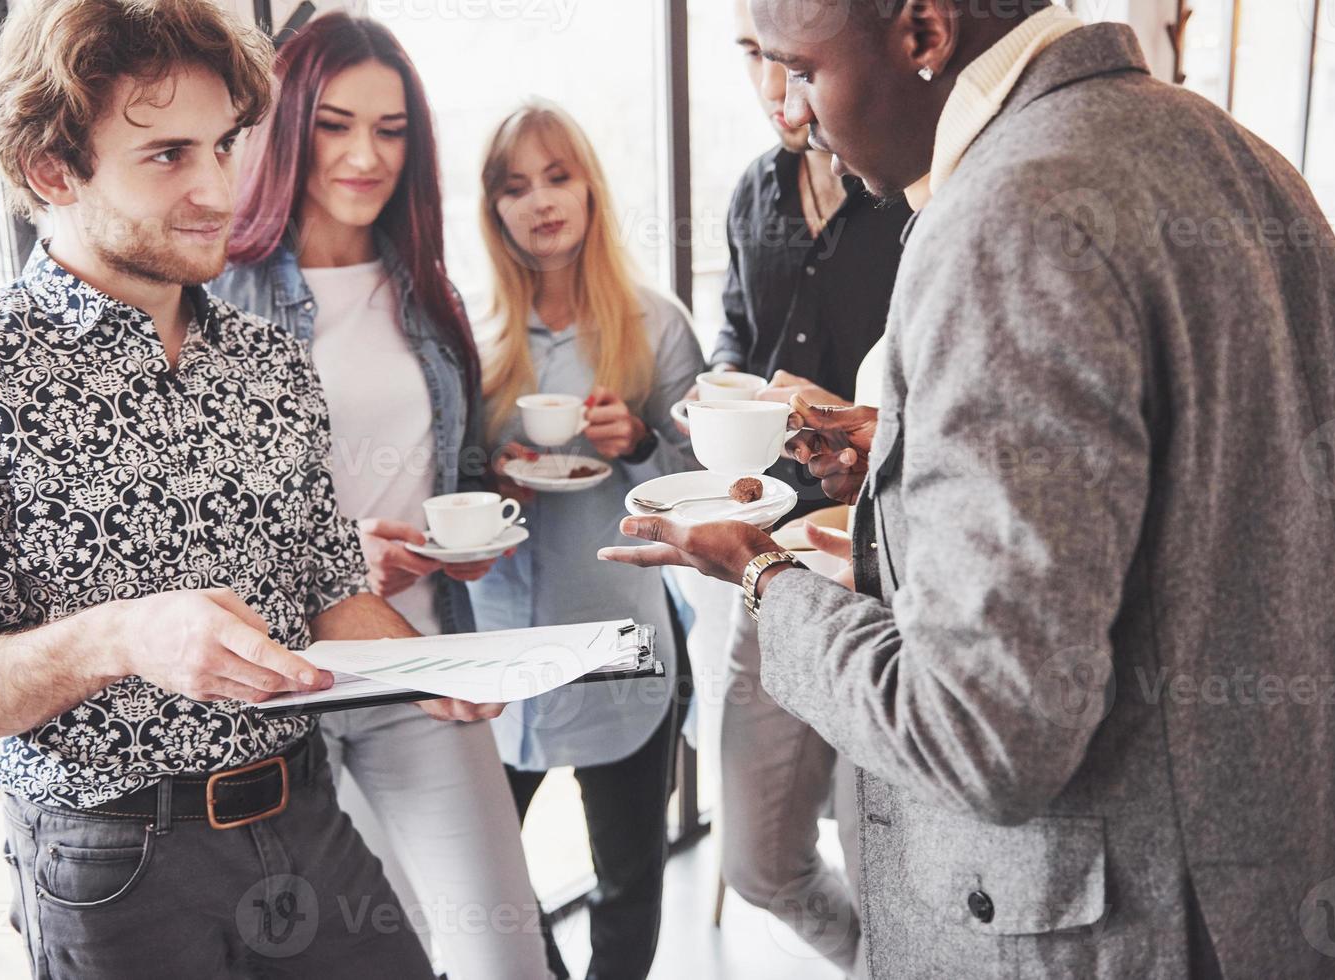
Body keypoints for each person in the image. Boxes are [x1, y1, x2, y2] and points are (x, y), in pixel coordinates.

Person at [601, 1, 1335, 977]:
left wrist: (763, 578)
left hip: (1099, 922)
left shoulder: (1006, 215)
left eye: (801, 70)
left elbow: (982, 735)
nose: (790, 111)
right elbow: (1193, 496)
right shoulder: (1238, 156)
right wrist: (911, 460)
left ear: (921, 31)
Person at [0, 2, 476, 976]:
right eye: (165, 156)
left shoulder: (271, 365)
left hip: (306, 815)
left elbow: (335, 592)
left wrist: (456, 670)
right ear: (50, 170)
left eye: (224, 146)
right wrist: (119, 637)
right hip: (111, 863)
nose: (216, 188)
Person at [211, 15, 549, 979]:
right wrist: (322, 559)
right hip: (287, 689)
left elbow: (456, 469)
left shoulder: (424, 291)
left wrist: (473, 530)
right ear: (287, 127)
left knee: (503, 956)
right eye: (335, 123)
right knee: (373, 959)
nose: (366, 155)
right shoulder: (217, 298)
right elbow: (187, 525)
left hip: (418, 665)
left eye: (392, 129)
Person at [697, 0, 910, 968]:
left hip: (889, 575)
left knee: (896, 867)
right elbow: (734, 334)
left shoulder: (914, 197)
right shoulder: (753, 194)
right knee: (755, 859)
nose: (775, 87)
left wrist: (852, 420)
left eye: (791, 57)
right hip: (769, 563)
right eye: (751, 55)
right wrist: (716, 398)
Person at [471, 100, 704, 980]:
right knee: (485, 874)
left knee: (628, 875)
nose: (540, 202)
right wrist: (486, 484)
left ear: (590, 189)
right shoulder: (469, 333)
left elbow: (697, 500)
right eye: (515, 186)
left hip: (619, 632)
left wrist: (637, 445)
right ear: (493, 209)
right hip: (499, 639)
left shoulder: (654, 324)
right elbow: (441, 480)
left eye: (557, 176)